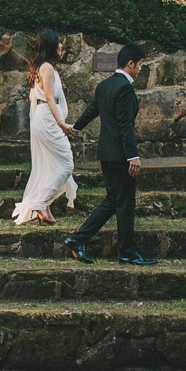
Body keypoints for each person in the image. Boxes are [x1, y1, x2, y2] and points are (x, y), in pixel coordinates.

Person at [62, 43, 158, 265]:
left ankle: (79, 239)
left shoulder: (105, 85)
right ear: (130, 63)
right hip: (121, 154)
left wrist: (76, 127)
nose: (141, 69)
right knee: (124, 202)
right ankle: (127, 252)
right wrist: (133, 156)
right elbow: (125, 125)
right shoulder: (124, 88)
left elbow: (92, 110)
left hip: (106, 153)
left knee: (115, 200)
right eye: (141, 64)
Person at [12, 30, 78, 225]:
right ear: (51, 45)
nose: (61, 46)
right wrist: (61, 124)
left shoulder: (44, 67)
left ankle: (45, 207)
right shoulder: (47, 68)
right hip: (48, 120)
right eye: (58, 43)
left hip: (46, 118)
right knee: (67, 164)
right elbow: (50, 98)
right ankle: (40, 202)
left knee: (51, 165)